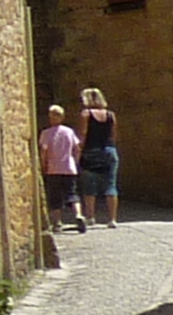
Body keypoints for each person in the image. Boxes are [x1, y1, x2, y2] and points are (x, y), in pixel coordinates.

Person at [76, 86, 122, 228]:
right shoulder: (110, 115)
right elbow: (113, 135)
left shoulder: (86, 114)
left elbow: (83, 134)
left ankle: (90, 217)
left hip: (91, 150)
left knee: (90, 185)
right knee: (110, 184)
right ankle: (112, 219)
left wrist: (78, 153)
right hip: (109, 150)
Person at [38, 104, 86, 233]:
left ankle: (57, 223)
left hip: (53, 168)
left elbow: (44, 150)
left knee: (55, 196)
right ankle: (78, 215)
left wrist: (43, 165)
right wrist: (75, 162)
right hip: (69, 167)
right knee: (72, 193)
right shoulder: (69, 131)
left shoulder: (46, 133)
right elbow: (77, 148)